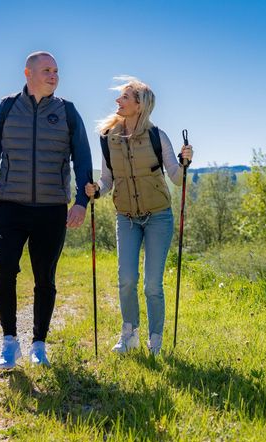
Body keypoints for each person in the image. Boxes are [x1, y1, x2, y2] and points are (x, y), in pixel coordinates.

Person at [0, 51, 93, 370]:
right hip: (11, 205)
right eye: (47, 70)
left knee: (44, 278)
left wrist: (81, 201)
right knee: (4, 269)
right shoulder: (8, 107)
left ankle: (39, 344)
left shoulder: (68, 112)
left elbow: (83, 157)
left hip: (51, 210)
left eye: (56, 71)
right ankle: (9, 342)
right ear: (28, 73)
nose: (53, 75)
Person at [85, 76, 193, 356]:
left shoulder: (158, 136)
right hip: (126, 217)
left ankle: (155, 340)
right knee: (127, 279)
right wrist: (96, 190)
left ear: (139, 105)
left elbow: (177, 179)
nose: (118, 101)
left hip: (158, 216)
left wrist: (185, 163)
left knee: (152, 285)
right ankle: (129, 334)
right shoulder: (108, 138)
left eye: (124, 97)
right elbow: (107, 180)